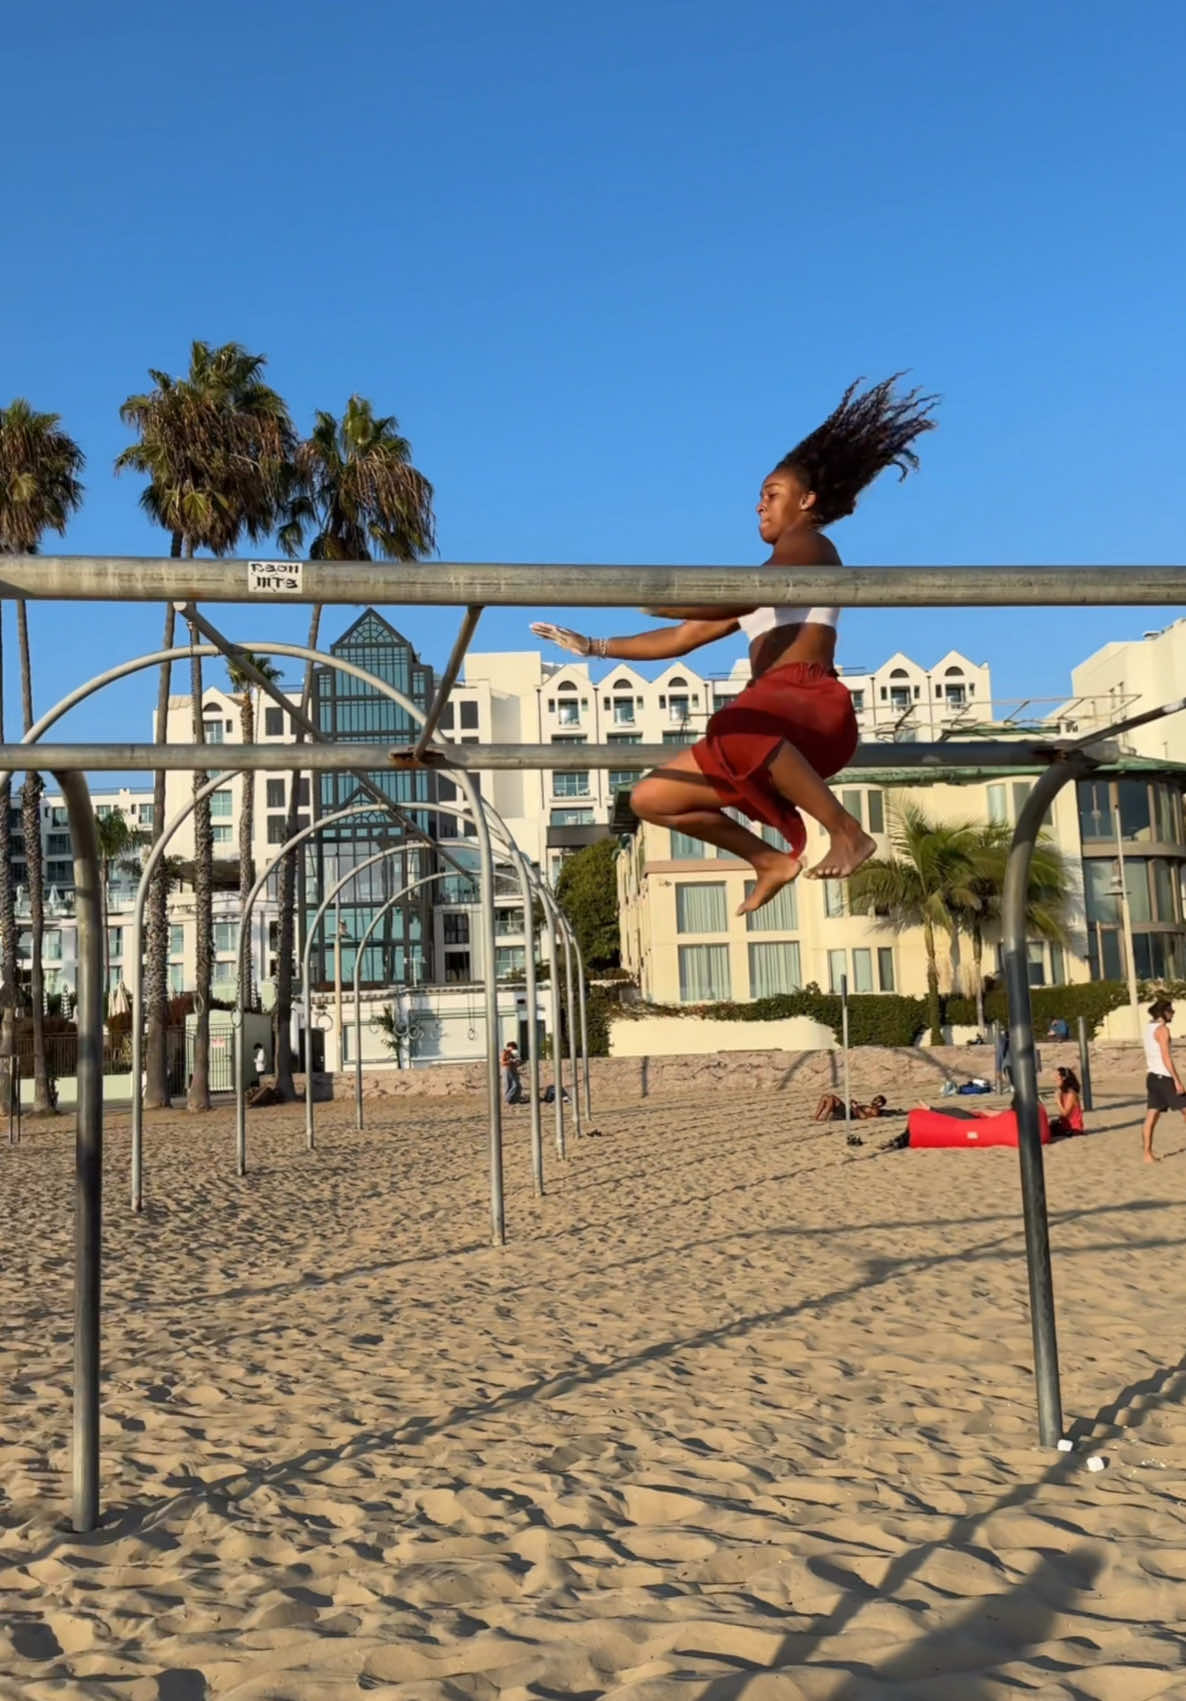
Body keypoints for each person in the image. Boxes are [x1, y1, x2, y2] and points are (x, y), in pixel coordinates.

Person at [531, 376, 938, 913]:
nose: (759, 507)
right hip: (775, 728)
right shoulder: (760, 583)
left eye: (771, 495)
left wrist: (667, 598)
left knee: (734, 725)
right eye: (759, 498)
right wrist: (595, 645)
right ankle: (768, 860)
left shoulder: (809, 543)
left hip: (805, 706)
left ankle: (846, 830)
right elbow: (682, 637)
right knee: (652, 798)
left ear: (807, 500)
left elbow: (735, 598)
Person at [1142, 997, 1186, 1163]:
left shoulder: (1148, 1028)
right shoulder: (1162, 1030)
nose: (1173, 1014)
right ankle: (1147, 1153)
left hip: (1152, 1077)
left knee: (1152, 1116)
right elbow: (1166, 1057)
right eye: (1171, 1011)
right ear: (1164, 1012)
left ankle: (1147, 1154)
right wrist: (1177, 1080)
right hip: (1164, 1077)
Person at [1049, 1066, 1085, 1136]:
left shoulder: (1071, 1093)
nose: (1054, 1079)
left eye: (1057, 1076)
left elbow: (1065, 1113)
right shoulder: (1063, 1092)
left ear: (1064, 1078)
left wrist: (1058, 1101)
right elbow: (1063, 1115)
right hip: (1065, 1126)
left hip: (1073, 1129)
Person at [500, 1041, 523, 1105]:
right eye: (513, 1048)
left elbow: (518, 1063)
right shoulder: (505, 1052)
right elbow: (503, 1062)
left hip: (511, 1070)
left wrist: (516, 1061)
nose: (514, 1050)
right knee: (508, 1085)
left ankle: (512, 1099)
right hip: (506, 1069)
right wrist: (511, 1061)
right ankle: (507, 1100)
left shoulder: (512, 1054)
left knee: (516, 1085)